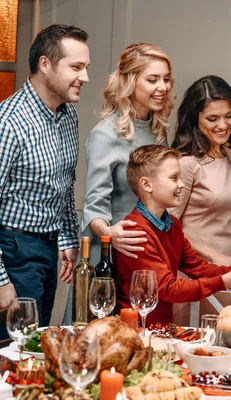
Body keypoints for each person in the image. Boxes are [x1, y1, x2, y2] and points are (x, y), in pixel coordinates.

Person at [63, 43, 176, 325]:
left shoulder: (157, 130)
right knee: (98, 342)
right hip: (110, 256)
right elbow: (94, 206)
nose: (162, 87)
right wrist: (111, 233)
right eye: (152, 79)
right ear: (129, 81)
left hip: (146, 254)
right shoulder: (105, 134)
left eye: (166, 79)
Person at [0, 24, 90, 336]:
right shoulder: (9, 123)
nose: (85, 77)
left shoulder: (69, 115)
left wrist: (66, 238)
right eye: (76, 67)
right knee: (15, 353)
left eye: (85, 67)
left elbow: (64, 184)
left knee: (37, 346)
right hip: (12, 250)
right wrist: (1, 281)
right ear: (45, 64)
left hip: (48, 249)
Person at [115, 145, 231, 325]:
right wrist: (225, 281)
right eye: (174, 178)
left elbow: (197, 267)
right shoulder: (135, 231)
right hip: (136, 330)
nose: (181, 184)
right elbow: (168, 288)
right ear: (147, 184)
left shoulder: (172, 225)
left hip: (161, 329)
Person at [170, 75, 231, 322]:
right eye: (212, 119)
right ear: (195, 119)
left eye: (228, 116)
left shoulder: (228, 154)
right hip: (195, 271)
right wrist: (213, 256)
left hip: (229, 267)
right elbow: (168, 225)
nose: (223, 125)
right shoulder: (186, 162)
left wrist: (229, 260)